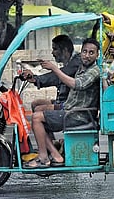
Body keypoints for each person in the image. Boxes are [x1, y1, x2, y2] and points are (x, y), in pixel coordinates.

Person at [24, 38, 100, 169]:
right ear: (80, 52)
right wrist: (35, 78)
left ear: (97, 54)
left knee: (36, 118)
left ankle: (44, 157)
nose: (87, 55)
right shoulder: (82, 65)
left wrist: (52, 68)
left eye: (91, 53)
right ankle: (53, 151)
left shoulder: (94, 71)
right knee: (38, 110)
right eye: (84, 52)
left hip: (78, 115)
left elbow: (76, 84)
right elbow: (61, 74)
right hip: (72, 108)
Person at [21, 35, 81, 112]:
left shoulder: (76, 61)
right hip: (62, 100)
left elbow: (58, 76)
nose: (52, 52)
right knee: (35, 104)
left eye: (55, 49)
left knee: (39, 110)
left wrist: (36, 79)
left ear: (65, 50)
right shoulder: (67, 61)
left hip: (69, 104)